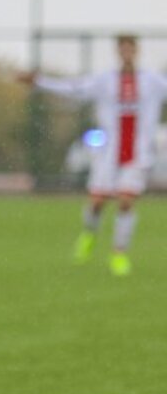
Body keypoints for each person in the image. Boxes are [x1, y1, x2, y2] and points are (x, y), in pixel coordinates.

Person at [23, 34, 167, 276]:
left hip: (138, 153)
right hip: (110, 152)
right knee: (98, 202)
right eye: (123, 49)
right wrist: (40, 82)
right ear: (118, 52)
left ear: (136, 51)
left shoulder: (153, 82)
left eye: (130, 49)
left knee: (125, 201)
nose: (127, 54)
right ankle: (89, 233)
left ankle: (119, 253)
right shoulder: (105, 81)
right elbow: (73, 89)